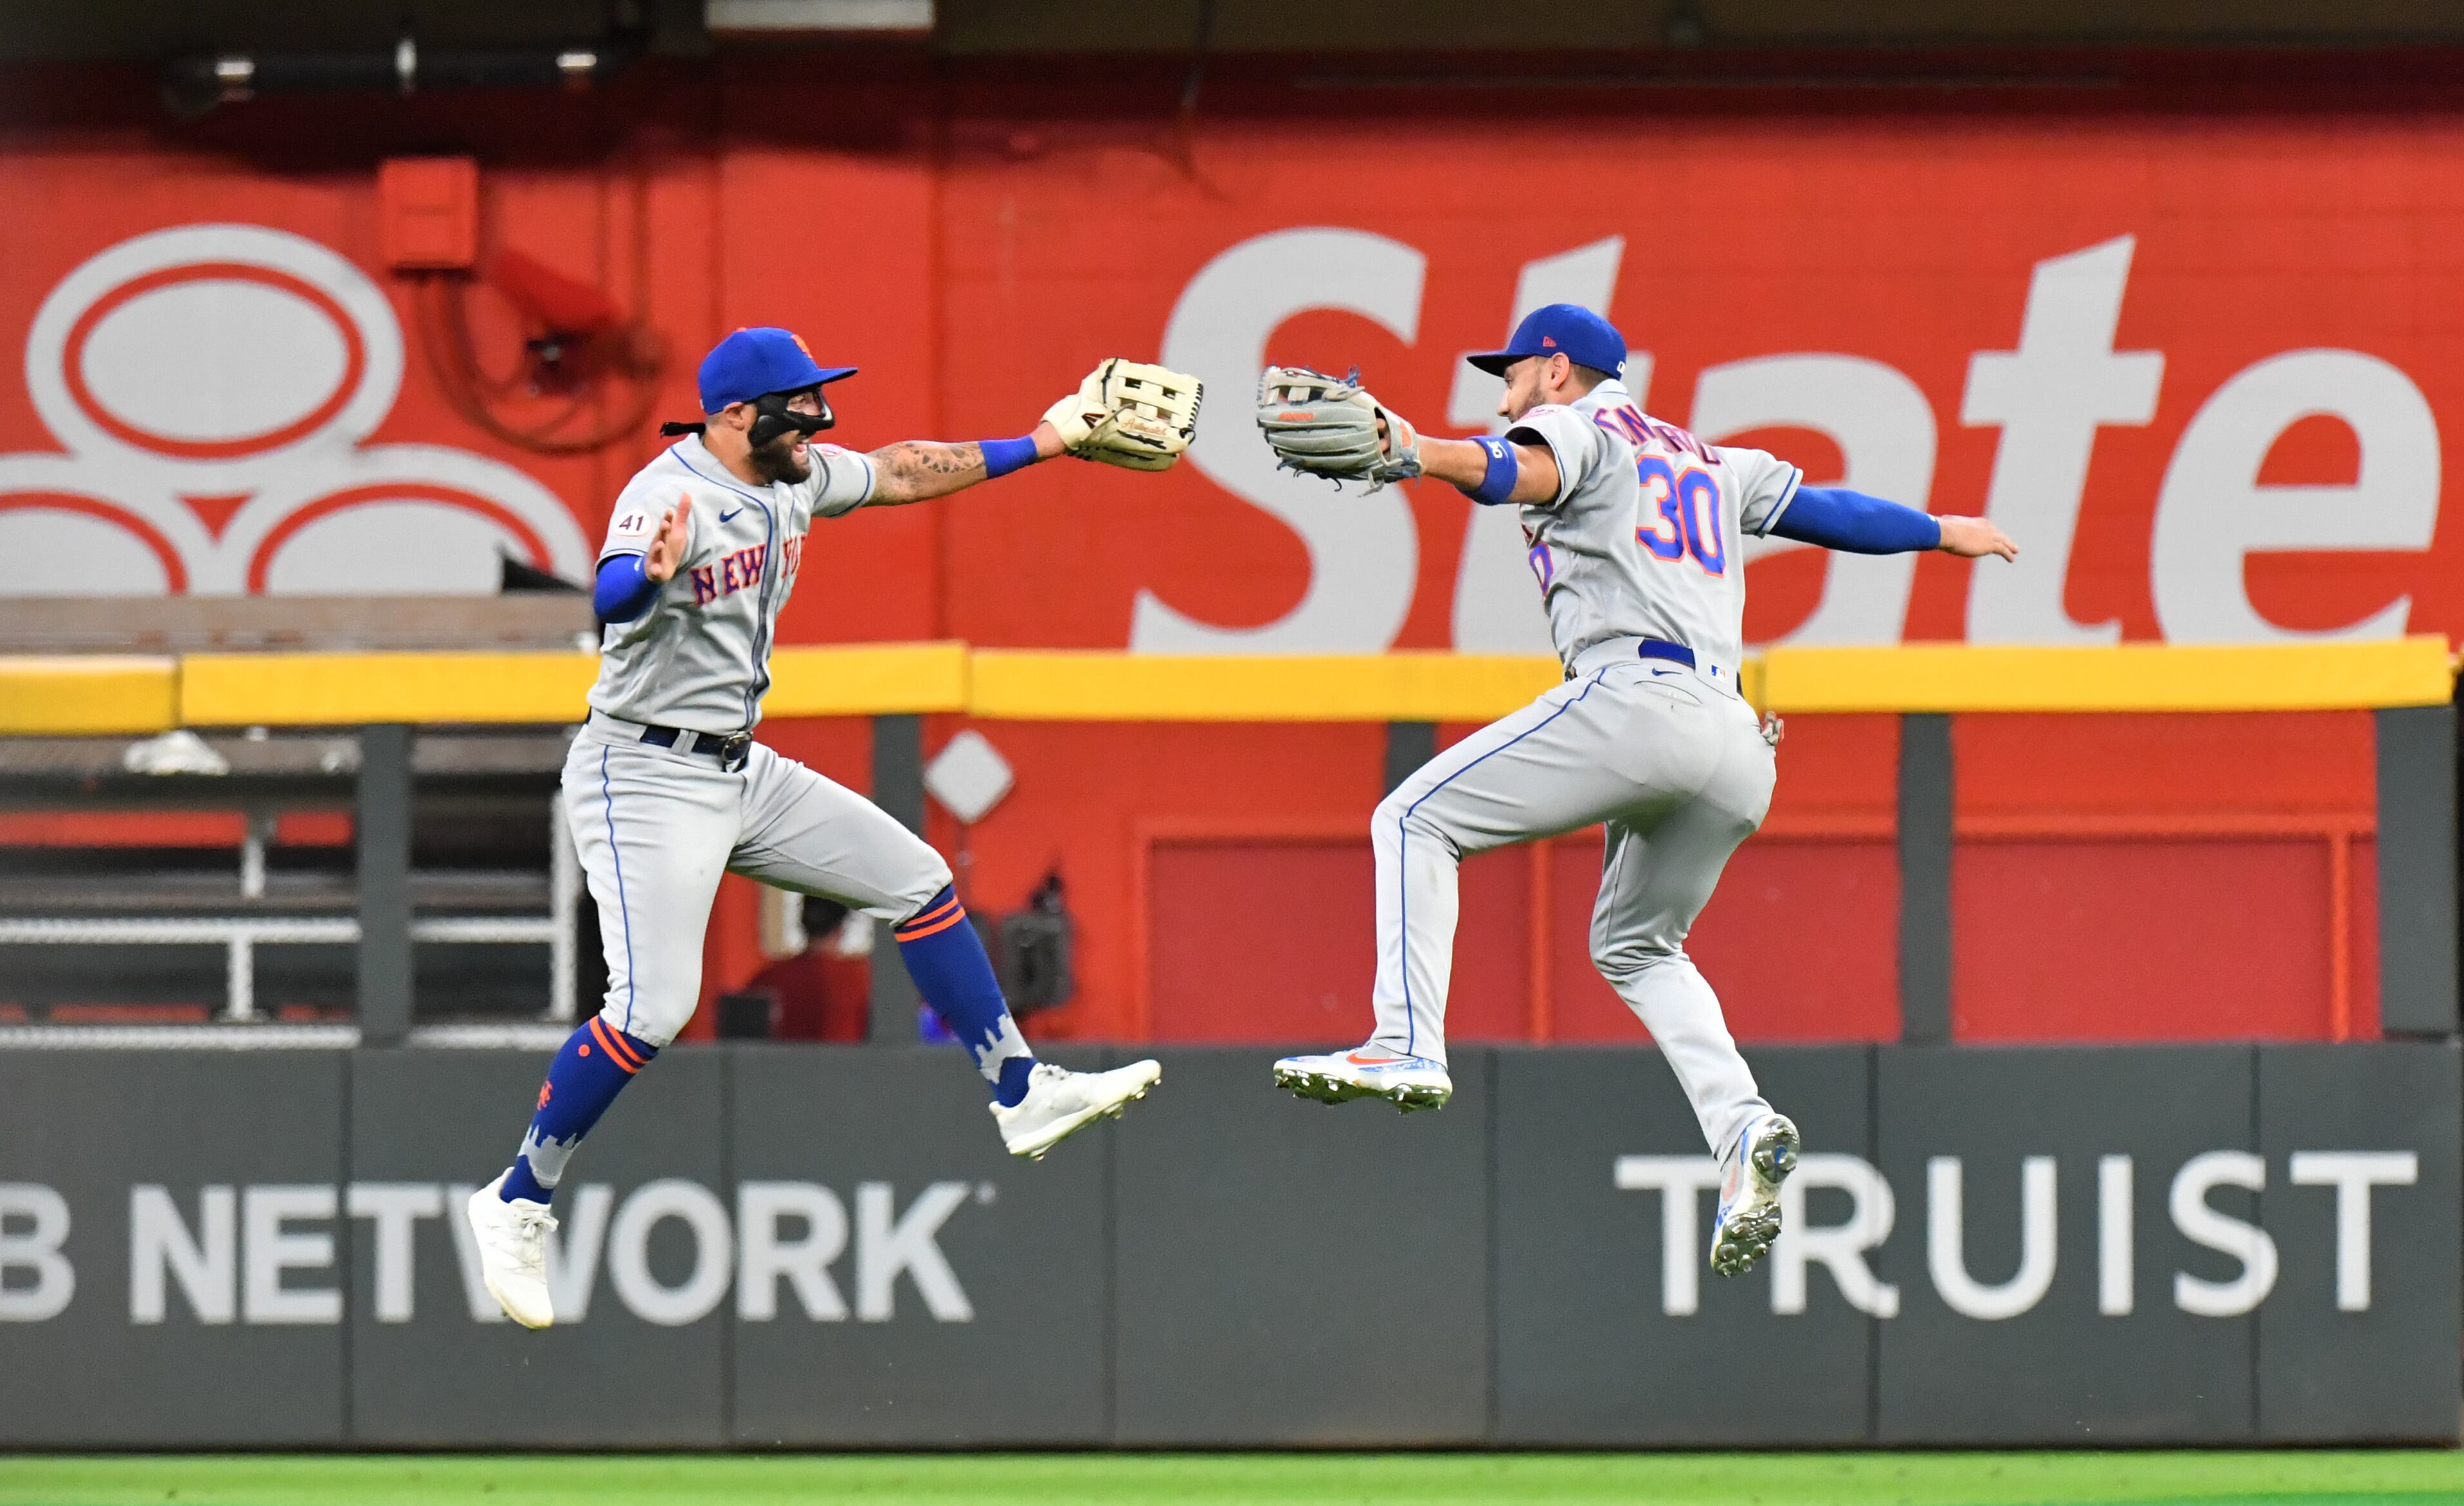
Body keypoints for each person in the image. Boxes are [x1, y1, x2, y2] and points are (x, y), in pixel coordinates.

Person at [1259, 304, 2015, 1279]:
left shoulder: (1581, 428)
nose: (1505, 393)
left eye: (1515, 374)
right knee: (1635, 944)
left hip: (1637, 698)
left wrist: (1412, 449)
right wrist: (1945, 531)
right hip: (1738, 743)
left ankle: (1404, 1041)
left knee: (1411, 817)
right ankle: (1745, 1133)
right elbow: (1827, 510)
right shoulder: (1711, 458)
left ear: (1559, 370)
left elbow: (1511, 471)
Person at [467, 330, 1200, 1327]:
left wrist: (1047, 440)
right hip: (640, 771)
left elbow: (899, 472)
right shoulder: (667, 491)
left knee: (919, 878)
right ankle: (517, 1201)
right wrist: (646, 573)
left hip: (736, 762)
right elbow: (611, 594)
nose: (818, 421)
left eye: (819, 401)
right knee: (651, 1009)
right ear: (734, 416)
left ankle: (1020, 1091)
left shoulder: (793, 476)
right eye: (798, 405)